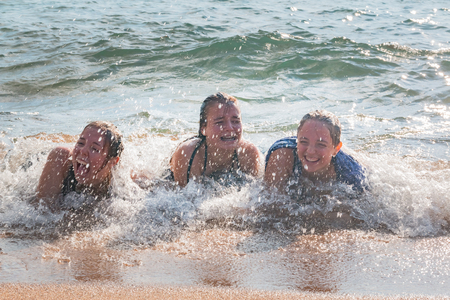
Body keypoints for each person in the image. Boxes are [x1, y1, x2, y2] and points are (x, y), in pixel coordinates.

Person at [170, 92, 263, 187]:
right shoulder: (188, 154)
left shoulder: (249, 154)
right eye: (220, 122)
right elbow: (185, 198)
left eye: (235, 121)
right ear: (203, 129)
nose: (230, 128)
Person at [264, 110, 366, 194]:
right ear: (297, 141)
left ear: (336, 149)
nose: (311, 151)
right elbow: (269, 208)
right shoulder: (282, 156)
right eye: (304, 142)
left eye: (321, 144)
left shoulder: (351, 177)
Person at [35, 121, 123, 211]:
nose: (83, 151)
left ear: (112, 162)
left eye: (95, 149)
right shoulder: (60, 159)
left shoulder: (122, 182)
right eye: (81, 143)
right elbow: (42, 211)